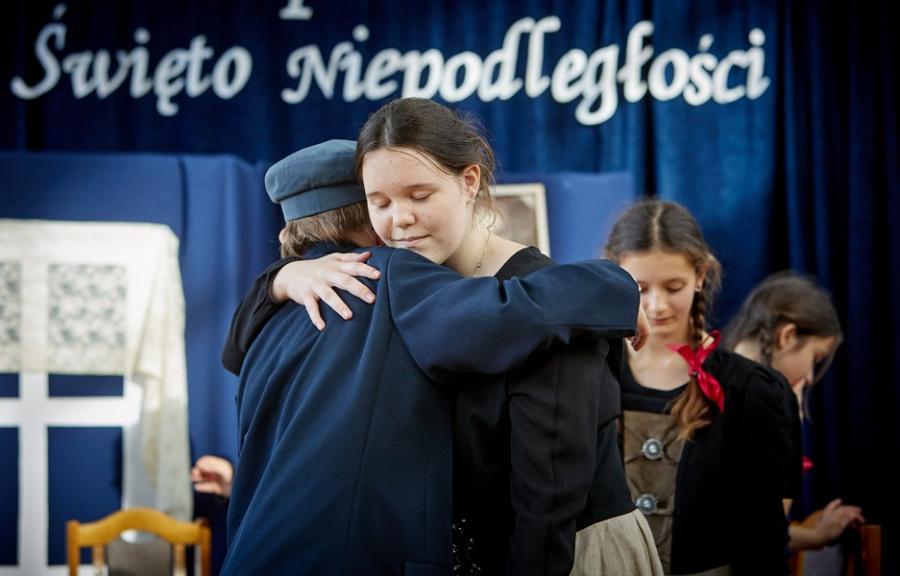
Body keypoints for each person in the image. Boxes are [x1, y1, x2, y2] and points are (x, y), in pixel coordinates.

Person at [224, 98, 662, 575]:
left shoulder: (276, 311)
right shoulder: (383, 275)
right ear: (365, 210)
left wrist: (278, 280)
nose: (399, 219)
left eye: (419, 195)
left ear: (469, 181)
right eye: (380, 203)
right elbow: (510, 314)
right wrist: (614, 285)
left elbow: (551, 489)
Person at [604, 199, 803, 575]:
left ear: (700, 275)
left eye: (673, 286)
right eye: (640, 287)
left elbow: (767, 534)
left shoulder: (752, 390)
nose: (657, 305)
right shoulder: (592, 375)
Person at [723, 271, 865, 552]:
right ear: (787, 336)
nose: (810, 377)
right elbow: (766, 530)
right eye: (815, 358)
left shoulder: (715, 380)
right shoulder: (748, 406)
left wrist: (819, 535)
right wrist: (789, 423)